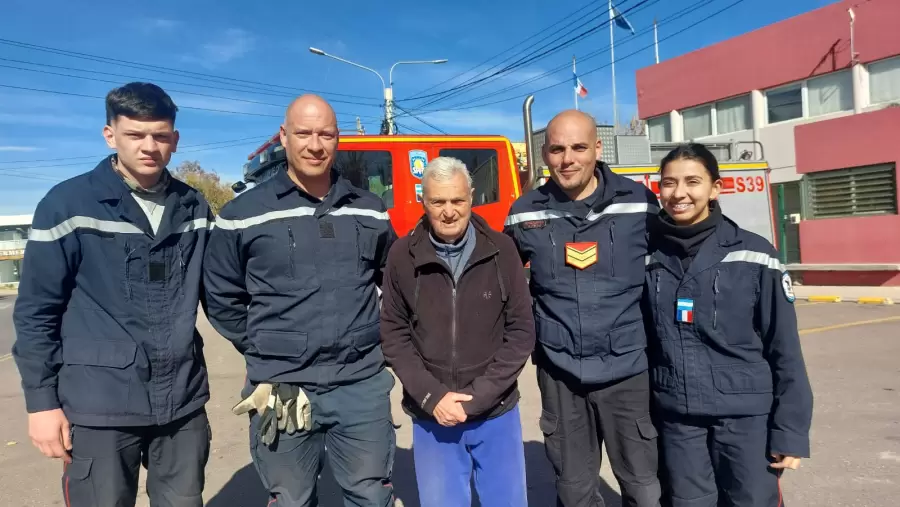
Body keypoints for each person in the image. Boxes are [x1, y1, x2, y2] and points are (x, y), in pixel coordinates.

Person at [12, 82, 213, 507]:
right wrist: (41, 404)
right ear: (110, 135)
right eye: (135, 135)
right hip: (98, 405)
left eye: (160, 135)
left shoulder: (193, 207)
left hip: (181, 401)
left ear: (174, 140)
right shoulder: (68, 204)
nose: (149, 147)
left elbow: (222, 293)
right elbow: (36, 311)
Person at [203, 94, 398, 507]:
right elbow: (221, 296)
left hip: (359, 382)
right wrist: (267, 346)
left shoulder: (370, 209)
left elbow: (395, 284)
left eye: (325, 134)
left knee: (370, 496)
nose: (315, 144)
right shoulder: (242, 214)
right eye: (304, 133)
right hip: (281, 385)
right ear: (283, 137)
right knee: (291, 499)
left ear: (337, 138)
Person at [503, 110, 662, 507]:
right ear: (544, 153)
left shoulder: (640, 203)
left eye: (578, 147)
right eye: (557, 149)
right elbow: (495, 281)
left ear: (597, 148)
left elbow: (677, 269)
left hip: (627, 372)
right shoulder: (525, 211)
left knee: (644, 489)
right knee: (573, 493)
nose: (567, 159)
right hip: (561, 377)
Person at [644, 143, 813, 507]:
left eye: (693, 181)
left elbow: (784, 348)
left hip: (746, 420)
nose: (680, 193)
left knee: (750, 501)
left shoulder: (755, 254)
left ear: (715, 188)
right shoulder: (648, 256)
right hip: (679, 420)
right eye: (669, 183)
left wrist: (790, 431)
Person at [380, 157, 536, 507]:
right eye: (438, 202)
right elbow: (394, 336)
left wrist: (479, 396)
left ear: (472, 198)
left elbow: (521, 331)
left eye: (457, 200)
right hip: (433, 416)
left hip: (495, 411)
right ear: (424, 201)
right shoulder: (401, 256)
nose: (449, 211)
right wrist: (432, 398)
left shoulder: (502, 250)